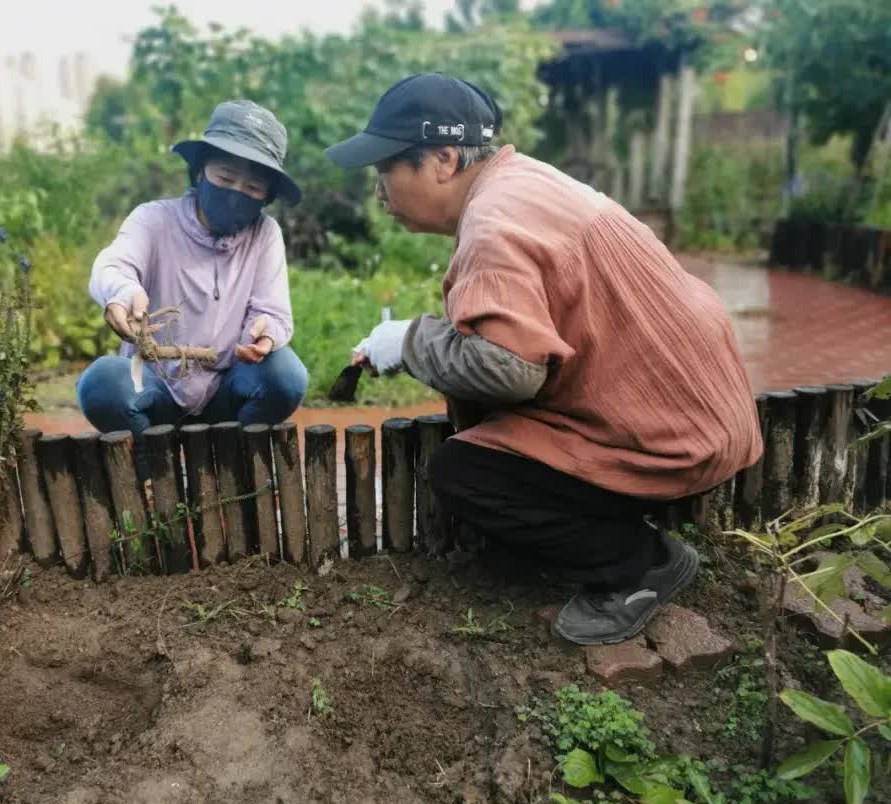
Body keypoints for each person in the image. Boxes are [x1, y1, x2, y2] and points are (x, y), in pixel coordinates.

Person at [325, 74, 762, 646]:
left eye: (385, 171)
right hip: (707, 416)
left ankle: (639, 565)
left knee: (464, 473)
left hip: (676, 441)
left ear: (442, 159)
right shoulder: (526, 184)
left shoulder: (492, 225)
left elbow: (508, 370)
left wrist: (409, 343)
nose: (379, 193)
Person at [78, 100, 308, 441]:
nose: (235, 193)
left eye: (252, 188)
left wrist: (264, 332)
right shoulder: (154, 220)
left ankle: (235, 466)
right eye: (225, 177)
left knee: (285, 375)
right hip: (156, 387)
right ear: (200, 171)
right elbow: (113, 264)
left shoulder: (264, 234)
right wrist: (123, 293)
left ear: (267, 196)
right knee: (102, 383)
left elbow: (272, 311)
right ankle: (154, 467)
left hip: (226, 391)